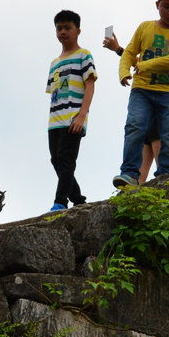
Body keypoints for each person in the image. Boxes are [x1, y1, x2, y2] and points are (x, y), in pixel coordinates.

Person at [103, 0, 169, 189]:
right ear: (157, 5)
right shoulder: (145, 27)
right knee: (135, 126)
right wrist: (123, 72)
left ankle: (165, 176)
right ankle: (129, 174)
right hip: (142, 90)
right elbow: (128, 52)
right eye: (166, 6)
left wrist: (144, 64)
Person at [45, 12, 96, 212]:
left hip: (73, 117)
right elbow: (54, 92)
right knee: (56, 161)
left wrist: (82, 115)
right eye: (59, 28)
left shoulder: (84, 55)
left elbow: (90, 85)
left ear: (78, 30)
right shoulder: (54, 63)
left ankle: (60, 201)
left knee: (66, 160)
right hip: (54, 120)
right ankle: (78, 198)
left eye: (67, 27)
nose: (63, 32)